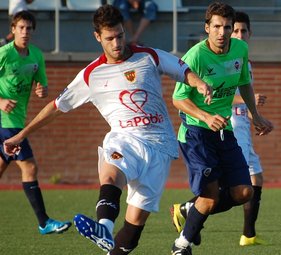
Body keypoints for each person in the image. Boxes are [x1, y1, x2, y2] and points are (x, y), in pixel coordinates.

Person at [3, 4, 212, 254]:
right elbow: (57, 107)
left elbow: (182, 70)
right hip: (124, 139)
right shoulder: (91, 74)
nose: (116, 43)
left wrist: (199, 83)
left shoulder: (149, 56)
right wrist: (22, 134)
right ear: (97, 37)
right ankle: (103, 226)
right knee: (111, 175)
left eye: (120, 35)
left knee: (133, 231)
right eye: (110, 38)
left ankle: (112, 240)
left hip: (160, 147)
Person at [169, 2, 273, 254]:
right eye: (217, 26)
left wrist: (255, 115)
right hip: (196, 133)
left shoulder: (240, 48)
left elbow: (244, 83)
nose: (223, 32)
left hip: (224, 132)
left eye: (228, 27)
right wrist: (205, 116)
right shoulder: (195, 56)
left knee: (244, 192)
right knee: (210, 196)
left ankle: (188, 211)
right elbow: (177, 99)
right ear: (207, 28)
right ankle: (181, 245)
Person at [0, 10, 71, 235]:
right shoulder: (3, 53)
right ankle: (44, 222)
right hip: (5, 120)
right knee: (29, 166)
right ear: (12, 30)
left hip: (17, 119)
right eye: (20, 28)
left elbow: (42, 87)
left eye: (29, 28)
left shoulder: (36, 56)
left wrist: (42, 90)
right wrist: (0, 100)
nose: (25, 32)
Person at [230, 11, 267, 246]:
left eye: (243, 31)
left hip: (242, 123)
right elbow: (220, 96)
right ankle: (185, 209)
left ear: (250, 33)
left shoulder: (246, 62)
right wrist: (247, 102)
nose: (239, 35)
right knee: (238, 184)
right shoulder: (227, 60)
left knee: (256, 178)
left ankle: (249, 235)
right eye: (235, 30)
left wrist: (257, 117)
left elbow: (245, 96)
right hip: (231, 124)